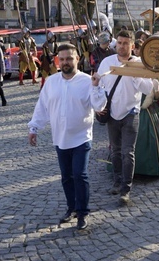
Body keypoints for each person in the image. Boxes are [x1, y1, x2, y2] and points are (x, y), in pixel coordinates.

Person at [28, 44, 107, 230]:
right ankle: (71, 207)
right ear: (57, 61)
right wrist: (34, 128)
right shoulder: (51, 82)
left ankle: (82, 212)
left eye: (69, 58)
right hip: (60, 138)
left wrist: (96, 86)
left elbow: (99, 106)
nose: (65, 62)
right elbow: (42, 107)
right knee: (66, 177)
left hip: (81, 137)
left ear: (77, 59)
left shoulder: (88, 81)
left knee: (80, 174)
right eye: (62, 59)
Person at [94, 30, 154, 205]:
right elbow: (99, 87)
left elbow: (148, 89)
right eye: (119, 43)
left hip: (130, 112)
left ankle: (126, 189)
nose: (122, 46)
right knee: (116, 151)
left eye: (126, 43)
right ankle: (117, 181)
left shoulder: (140, 64)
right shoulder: (107, 62)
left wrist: (135, 76)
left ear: (132, 45)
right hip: (112, 112)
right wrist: (98, 106)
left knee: (128, 152)